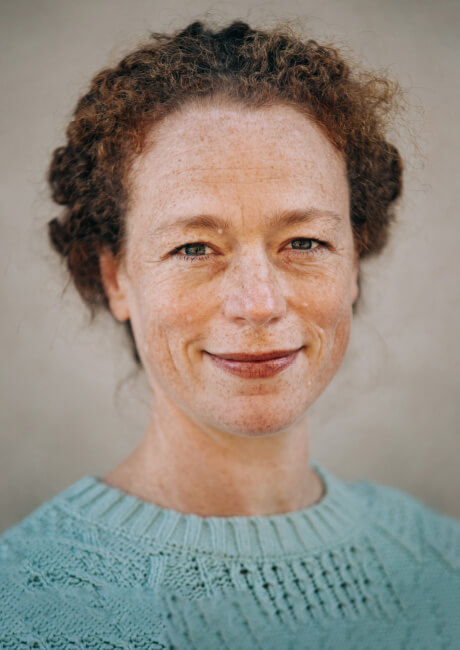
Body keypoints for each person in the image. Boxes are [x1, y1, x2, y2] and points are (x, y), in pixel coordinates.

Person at [1, 18, 459, 649]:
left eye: (304, 241)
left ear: (354, 260)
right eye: (194, 247)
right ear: (115, 278)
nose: (258, 303)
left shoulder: (443, 564)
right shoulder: (23, 609)